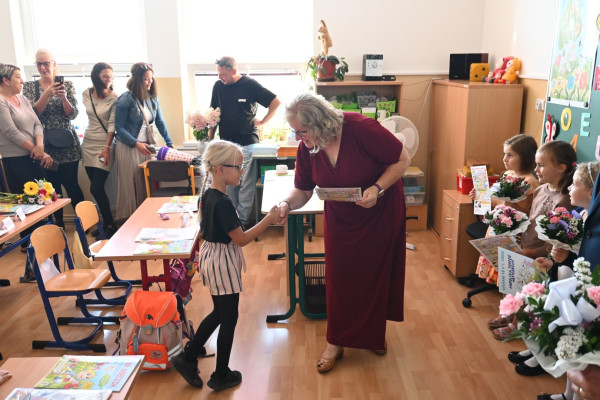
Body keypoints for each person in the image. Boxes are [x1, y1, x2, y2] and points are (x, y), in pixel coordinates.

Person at [277, 93, 411, 373]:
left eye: (302, 131)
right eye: (295, 132)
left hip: (380, 211)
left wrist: (378, 188)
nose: (298, 138)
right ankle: (335, 341)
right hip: (341, 217)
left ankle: (373, 334)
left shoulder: (361, 128)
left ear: (320, 124)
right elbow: (303, 190)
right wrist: (286, 204)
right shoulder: (307, 147)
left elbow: (402, 159)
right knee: (340, 277)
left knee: (375, 273)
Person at [172, 140, 280, 391]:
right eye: (238, 167)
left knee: (220, 313)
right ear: (220, 169)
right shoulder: (222, 202)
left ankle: (188, 357)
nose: (242, 171)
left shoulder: (209, 194)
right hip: (222, 263)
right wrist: (269, 219)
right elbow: (241, 239)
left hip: (213, 258)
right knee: (228, 317)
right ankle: (220, 374)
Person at [491, 141, 576, 378]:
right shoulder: (541, 189)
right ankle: (529, 343)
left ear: (561, 167)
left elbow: (558, 240)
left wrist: (530, 252)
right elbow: (530, 221)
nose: (536, 169)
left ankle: (538, 350)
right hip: (526, 249)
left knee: (539, 305)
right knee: (525, 298)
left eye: (542, 165)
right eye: (536, 164)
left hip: (544, 259)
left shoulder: (565, 199)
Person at [533, 162, 600, 400]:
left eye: (575, 184)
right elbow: (577, 257)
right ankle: (567, 393)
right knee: (573, 344)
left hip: (588, 290)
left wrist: (567, 258)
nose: (569, 188)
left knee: (582, 349)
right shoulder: (579, 216)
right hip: (574, 283)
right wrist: (557, 260)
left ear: (592, 191)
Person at [208, 56, 281, 228]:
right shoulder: (218, 86)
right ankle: (231, 220)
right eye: (218, 74)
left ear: (234, 71)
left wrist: (262, 122)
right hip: (226, 145)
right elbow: (213, 114)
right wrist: (210, 139)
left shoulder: (250, 85)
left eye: (224, 74)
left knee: (245, 184)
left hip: (248, 144)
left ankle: (241, 223)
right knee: (228, 183)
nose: (220, 77)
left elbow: (275, 102)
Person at [22, 49, 84, 228]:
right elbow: (32, 115)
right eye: (39, 64)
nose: (42, 67)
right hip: (45, 145)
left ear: (54, 64)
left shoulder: (67, 85)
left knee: (72, 185)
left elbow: (72, 114)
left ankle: (83, 222)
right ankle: (58, 225)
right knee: (51, 188)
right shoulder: (30, 87)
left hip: (67, 145)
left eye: (46, 63)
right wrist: (46, 95)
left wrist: (64, 98)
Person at [470, 134, 539, 290]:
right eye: (504, 154)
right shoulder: (508, 175)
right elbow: (497, 202)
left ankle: (509, 303)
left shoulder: (530, 182)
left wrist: (510, 203)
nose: (504, 159)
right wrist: (480, 196)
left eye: (510, 155)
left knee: (509, 277)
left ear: (525, 157)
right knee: (498, 271)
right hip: (497, 229)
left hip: (515, 234)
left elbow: (529, 213)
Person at [114, 62, 173, 220]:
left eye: (151, 79)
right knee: (131, 184)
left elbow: (160, 122)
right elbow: (119, 127)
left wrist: (170, 144)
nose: (149, 82)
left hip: (147, 147)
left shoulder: (152, 98)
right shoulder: (125, 99)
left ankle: (146, 217)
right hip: (129, 147)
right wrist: (135, 143)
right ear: (137, 80)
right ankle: (130, 219)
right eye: (146, 79)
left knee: (145, 183)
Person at [0, 63, 52, 191]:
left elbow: (37, 124)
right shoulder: (1, 101)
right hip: (16, 160)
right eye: (18, 77)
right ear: (6, 80)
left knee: (44, 196)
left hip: (35, 156)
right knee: (26, 200)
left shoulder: (22, 98)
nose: (22, 81)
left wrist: (39, 146)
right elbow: (11, 131)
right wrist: (36, 149)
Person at [81, 62, 118, 237]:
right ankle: (103, 223)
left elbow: (112, 124)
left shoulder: (115, 97)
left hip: (104, 146)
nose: (108, 80)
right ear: (96, 76)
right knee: (96, 189)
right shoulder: (86, 94)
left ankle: (110, 224)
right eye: (104, 76)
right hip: (88, 144)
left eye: (110, 77)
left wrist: (107, 148)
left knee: (96, 187)